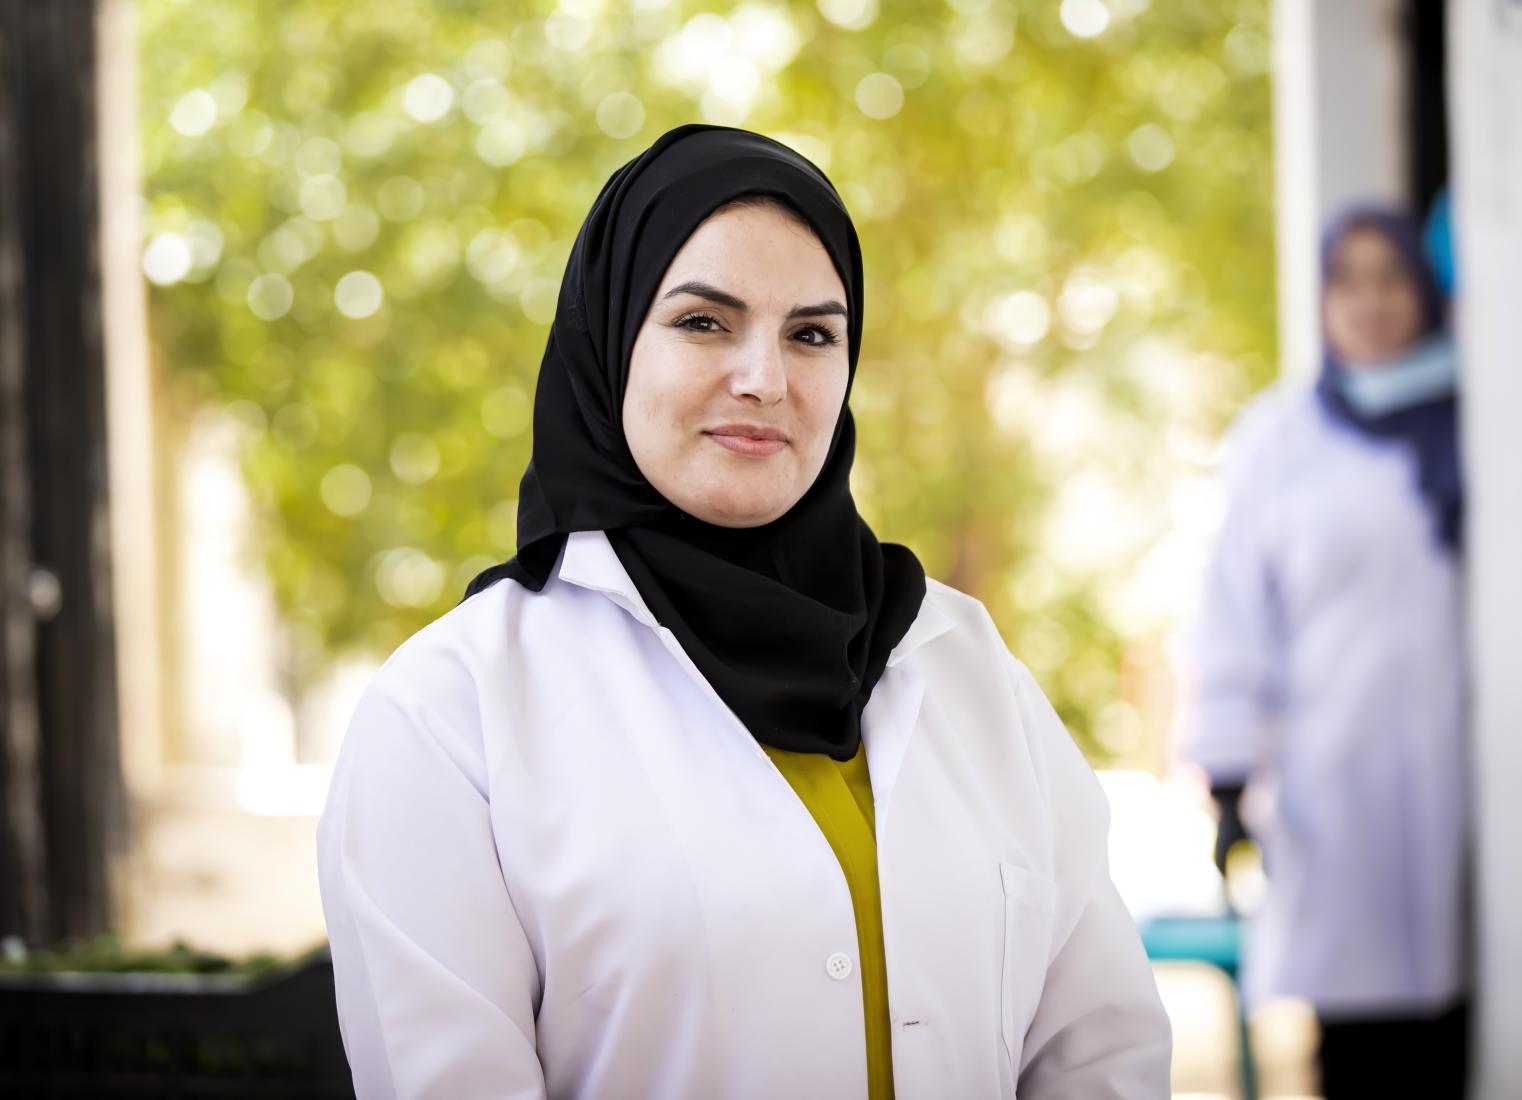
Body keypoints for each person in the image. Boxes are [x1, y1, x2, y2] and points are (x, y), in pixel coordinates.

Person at [316, 124, 1172, 1099]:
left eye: (812, 332)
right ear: (609, 341)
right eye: (704, 321)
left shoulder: (964, 663)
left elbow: (1101, 1054)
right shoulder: (450, 713)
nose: (765, 378)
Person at [1187, 205, 1467, 1099]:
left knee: (1470, 1018)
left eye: (1390, 277)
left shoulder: (1480, 421)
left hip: (1468, 782)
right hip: (1336, 787)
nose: (1370, 301)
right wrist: (1228, 776)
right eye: (1347, 281)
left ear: (1423, 290)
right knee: (1359, 1040)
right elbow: (1231, 616)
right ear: (1322, 300)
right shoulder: (1279, 438)